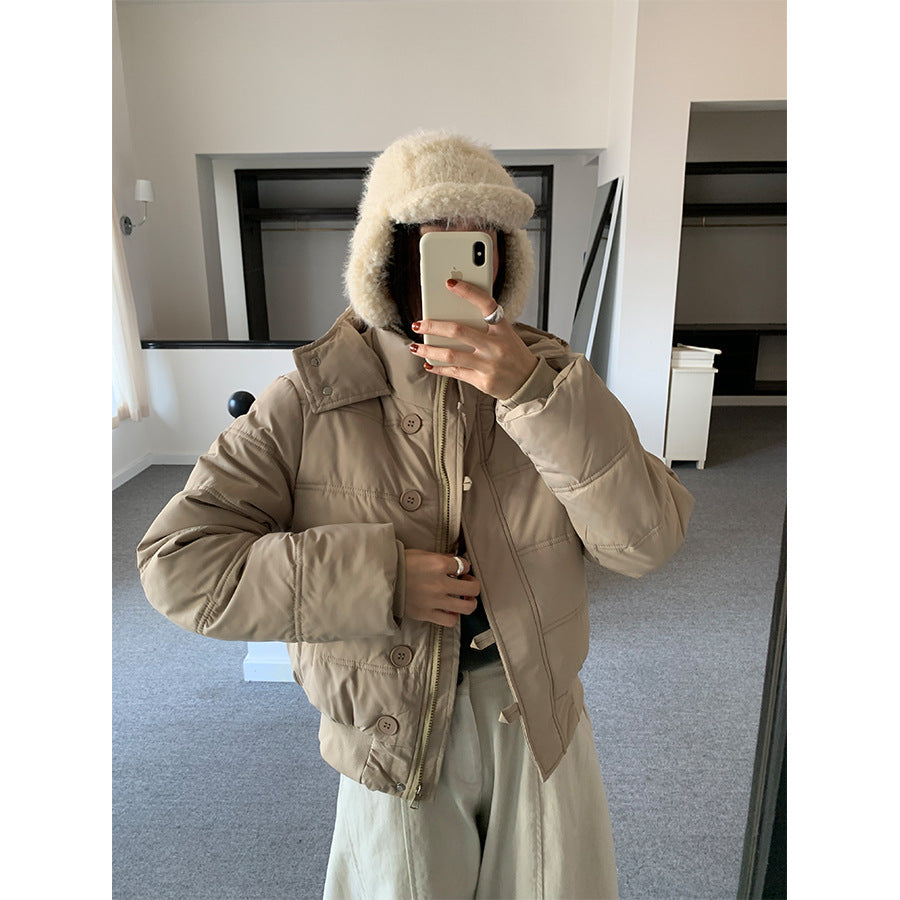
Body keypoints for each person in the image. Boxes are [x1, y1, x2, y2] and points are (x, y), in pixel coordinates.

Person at [137, 130, 695, 899]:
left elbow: (646, 542)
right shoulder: (308, 399)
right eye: (432, 245)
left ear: (503, 260)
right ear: (386, 259)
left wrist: (534, 396)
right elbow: (177, 563)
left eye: (477, 243)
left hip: (540, 719)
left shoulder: (553, 378)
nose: (455, 272)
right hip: (390, 734)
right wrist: (383, 579)